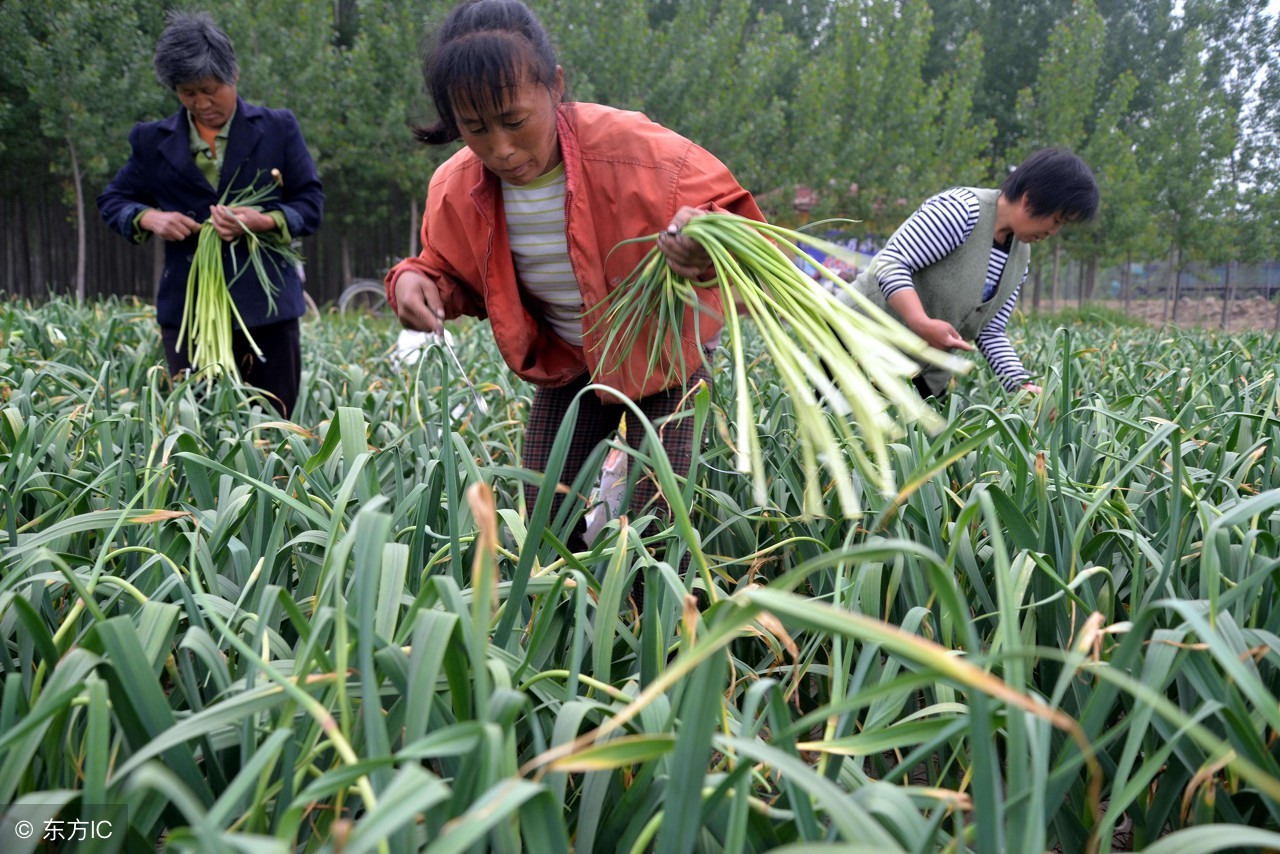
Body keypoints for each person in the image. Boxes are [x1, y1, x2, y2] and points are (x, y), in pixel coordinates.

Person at [385, 0, 763, 543]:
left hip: (662, 363)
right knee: (544, 521)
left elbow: (743, 233)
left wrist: (704, 241)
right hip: (570, 367)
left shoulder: (642, 156)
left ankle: (659, 621)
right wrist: (415, 284)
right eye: (475, 128)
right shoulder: (454, 187)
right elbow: (448, 271)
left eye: (515, 121)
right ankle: (563, 620)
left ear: (555, 86)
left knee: (651, 529)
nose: (502, 149)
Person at [97, 11, 323, 419]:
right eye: (187, 93)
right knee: (198, 427)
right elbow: (113, 200)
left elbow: (311, 205)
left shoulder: (277, 129)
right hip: (190, 315)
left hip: (267, 313)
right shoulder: (152, 140)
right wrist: (151, 218)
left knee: (273, 425)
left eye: (209, 89)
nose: (201, 104)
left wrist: (264, 220)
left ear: (233, 74)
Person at [840, 148, 1098, 400]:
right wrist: (921, 322)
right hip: (857, 344)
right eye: (1056, 220)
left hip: (920, 372)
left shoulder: (1020, 255)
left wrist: (1021, 385)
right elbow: (891, 263)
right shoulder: (962, 210)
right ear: (1030, 199)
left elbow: (991, 330)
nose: (1054, 232)